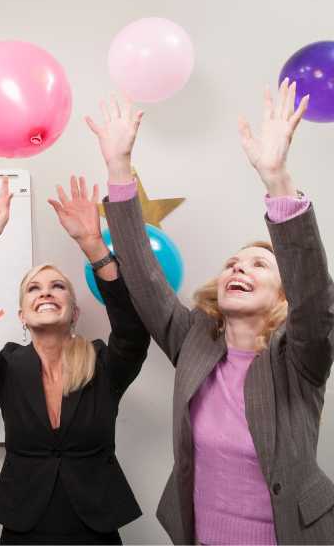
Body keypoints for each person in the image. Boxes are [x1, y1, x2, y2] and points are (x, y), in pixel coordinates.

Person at [95, 84, 334, 544]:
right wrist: (118, 167)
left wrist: (277, 180)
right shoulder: (194, 340)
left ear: (282, 296)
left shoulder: (301, 358)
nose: (239, 267)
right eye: (233, 263)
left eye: (258, 264)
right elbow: (144, 279)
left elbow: (314, 301)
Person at [0, 173, 150, 544]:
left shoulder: (103, 364)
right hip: (25, 525)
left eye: (58, 286)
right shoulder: (8, 369)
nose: (47, 293)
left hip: (96, 526)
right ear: (23, 316)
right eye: (34, 289)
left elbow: (134, 333)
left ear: (74, 313)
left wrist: (93, 246)